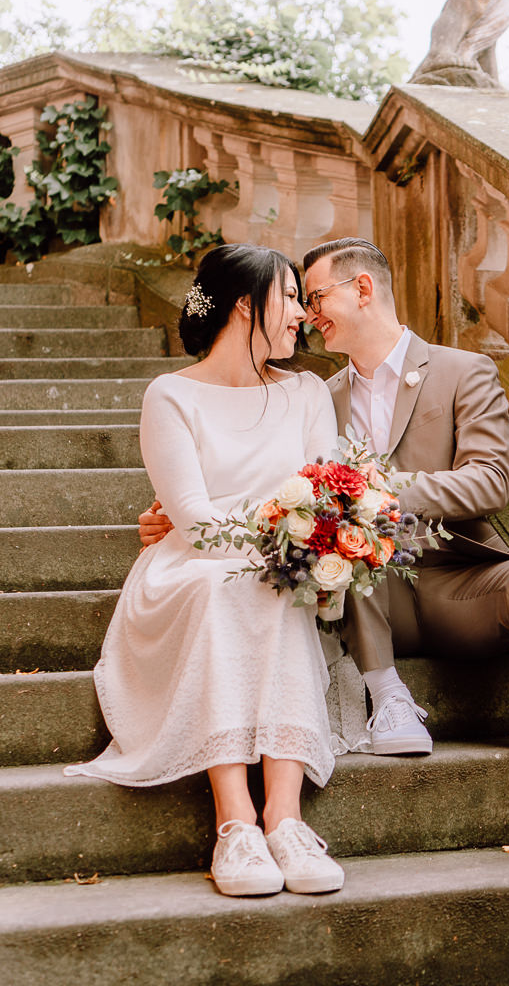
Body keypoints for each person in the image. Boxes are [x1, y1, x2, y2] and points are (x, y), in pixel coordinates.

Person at [140, 237, 509, 871]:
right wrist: (174, 521)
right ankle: (385, 690)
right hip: (363, 591)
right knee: (337, 548)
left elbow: (491, 480)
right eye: (298, 300)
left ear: (362, 290)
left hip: (454, 578)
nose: (308, 315)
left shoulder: (463, 371)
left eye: (314, 297)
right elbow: (250, 481)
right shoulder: (322, 391)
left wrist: (375, 492)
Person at [66, 243, 346, 897]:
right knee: (229, 584)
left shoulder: (306, 391)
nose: (301, 314)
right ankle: (236, 823)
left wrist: (291, 535)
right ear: (245, 305)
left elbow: (326, 497)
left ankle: (284, 818)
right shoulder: (170, 395)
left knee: (272, 585)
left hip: (274, 564)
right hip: (186, 571)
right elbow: (191, 521)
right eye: (288, 298)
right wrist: (277, 525)